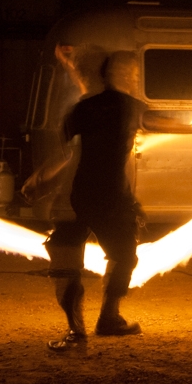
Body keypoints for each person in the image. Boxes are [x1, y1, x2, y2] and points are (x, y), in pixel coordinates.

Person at [39, 47, 146, 351]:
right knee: (115, 256)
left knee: (111, 256)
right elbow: (66, 152)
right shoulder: (129, 107)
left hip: (86, 196)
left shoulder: (87, 108)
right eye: (133, 73)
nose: (136, 77)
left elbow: (64, 151)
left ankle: (88, 328)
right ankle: (99, 323)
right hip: (103, 197)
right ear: (119, 75)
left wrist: (41, 179)